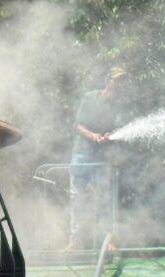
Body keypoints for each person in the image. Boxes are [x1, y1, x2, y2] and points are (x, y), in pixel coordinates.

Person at [68, 66, 128, 250]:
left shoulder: (119, 106)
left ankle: (107, 241)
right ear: (108, 80)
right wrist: (94, 136)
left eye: (123, 81)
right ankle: (75, 241)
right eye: (117, 80)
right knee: (77, 197)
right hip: (81, 154)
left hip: (102, 158)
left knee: (103, 198)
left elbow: (119, 128)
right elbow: (78, 125)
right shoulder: (90, 98)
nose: (120, 85)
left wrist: (109, 136)